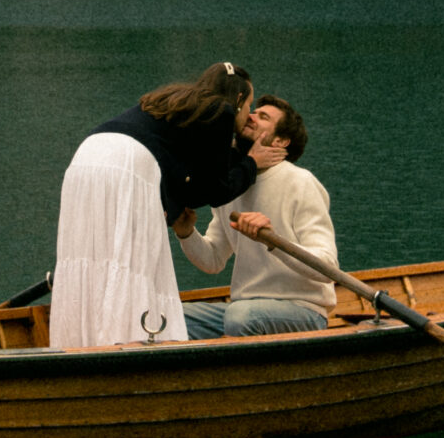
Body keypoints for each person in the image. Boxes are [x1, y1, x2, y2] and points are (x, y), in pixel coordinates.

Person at [50, 62, 285, 349]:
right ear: (237, 100)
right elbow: (215, 191)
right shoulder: (220, 111)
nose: (248, 116)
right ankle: (125, 343)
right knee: (131, 259)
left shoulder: (179, 102)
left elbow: (192, 185)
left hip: (87, 160)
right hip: (128, 165)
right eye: (249, 104)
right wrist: (252, 163)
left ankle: (80, 343)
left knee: (93, 254)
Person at [175, 96, 337, 339]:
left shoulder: (300, 182)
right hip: (242, 311)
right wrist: (186, 232)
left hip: (303, 311)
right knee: (169, 317)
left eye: (263, 117)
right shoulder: (231, 183)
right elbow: (213, 259)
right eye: (253, 112)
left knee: (241, 316)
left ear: (280, 141)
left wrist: (274, 242)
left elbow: (328, 269)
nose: (250, 116)